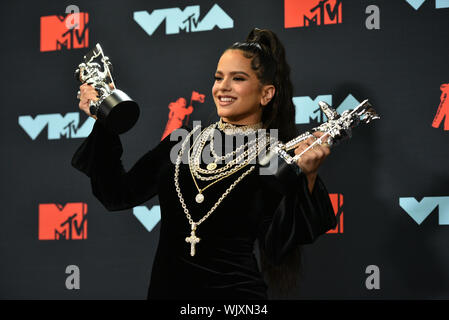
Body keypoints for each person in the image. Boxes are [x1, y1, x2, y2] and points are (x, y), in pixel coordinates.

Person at [72, 28, 336, 300]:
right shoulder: (181, 141)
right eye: (218, 78)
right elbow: (116, 194)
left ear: (266, 94)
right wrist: (104, 119)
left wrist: (309, 177)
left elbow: (277, 244)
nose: (223, 87)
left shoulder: (272, 156)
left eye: (238, 78)